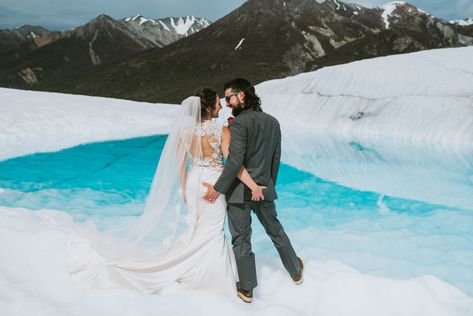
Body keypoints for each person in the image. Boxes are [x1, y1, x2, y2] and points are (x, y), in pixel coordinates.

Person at [68, 88, 265, 299]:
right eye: (217, 103)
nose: (220, 106)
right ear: (209, 107)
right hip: (212, 184)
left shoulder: (185, 131)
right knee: (212, 233)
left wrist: (184, 188)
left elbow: (181, 163)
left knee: (198, 230)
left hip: (193, 182)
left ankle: (196, 272)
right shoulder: (221, 131)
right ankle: (212, 283)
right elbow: (233, 164)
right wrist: (253, 186)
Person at [203, 78, 303, 303]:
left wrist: (218, 189)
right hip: (264, 189)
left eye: (228, 97)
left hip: (239, 191)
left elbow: (235, 161)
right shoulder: (273, 122)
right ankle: (296, 271)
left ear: (242, 95)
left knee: (241, 238)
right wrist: (266, 187)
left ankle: (247, 289)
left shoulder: (238, 124)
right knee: (276, 231)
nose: (227, 103)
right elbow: (275, 160)